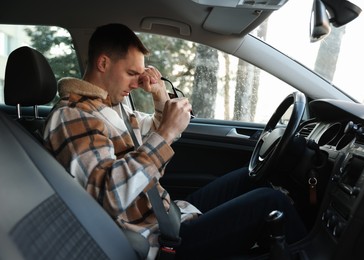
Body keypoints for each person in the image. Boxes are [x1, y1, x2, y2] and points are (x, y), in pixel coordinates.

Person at [43, 23, 306, 259]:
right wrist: (165, 133)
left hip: (165, 214)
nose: (137, 82)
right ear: (103, 64)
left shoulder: (108, 106)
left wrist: (159, 96)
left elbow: (150, 132)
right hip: (157, 241)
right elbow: (108, 195)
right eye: (131, 73)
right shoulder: (73, 116)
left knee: (251, 177)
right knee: (271, 202)